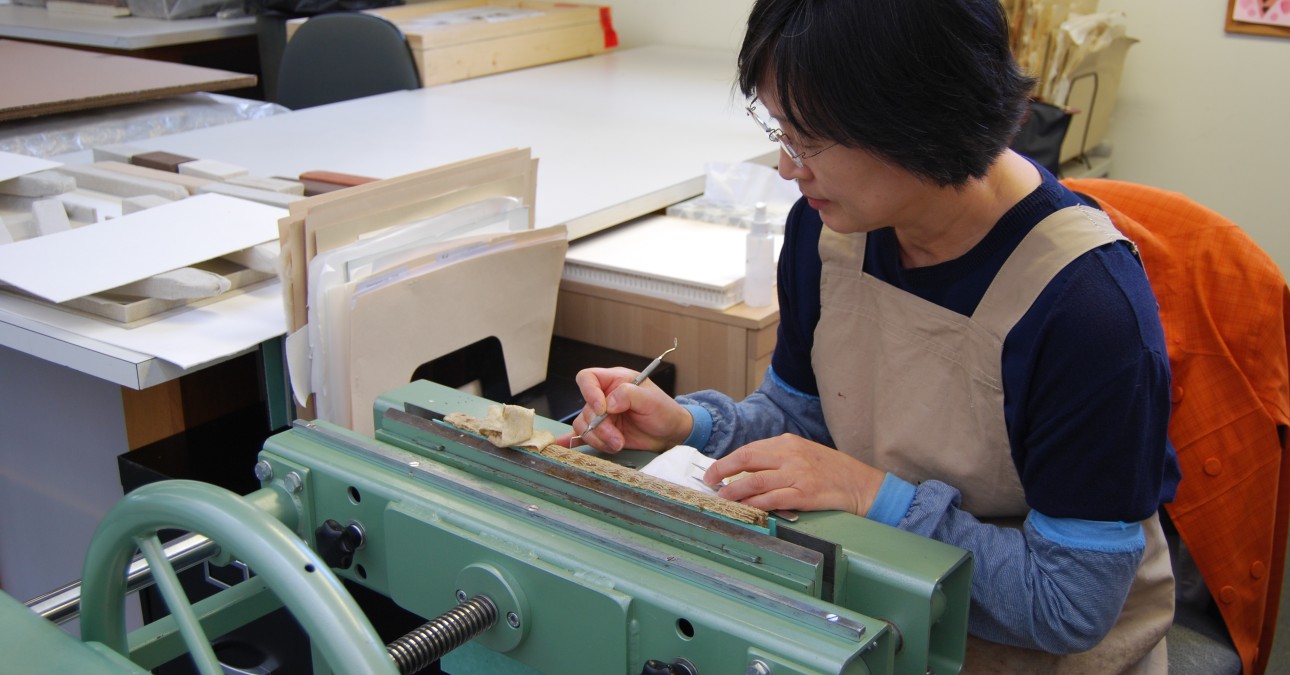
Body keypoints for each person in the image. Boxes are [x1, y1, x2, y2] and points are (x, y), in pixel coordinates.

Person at [560, 0, 1182, 671]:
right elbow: (803, 416)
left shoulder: (1086, 310)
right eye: (779, 129)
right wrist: (693, 426)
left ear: (915, 117)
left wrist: (871, 495)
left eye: (808, 139)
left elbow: (1070, 605)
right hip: (878, 612)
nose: (785, 167)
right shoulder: (826, 230)